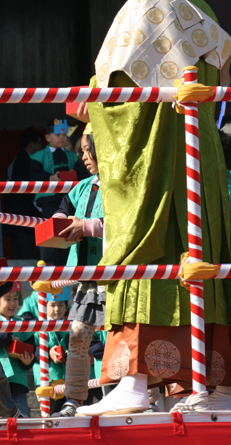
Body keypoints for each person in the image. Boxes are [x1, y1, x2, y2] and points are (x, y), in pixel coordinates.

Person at [78, 0, 231, 415]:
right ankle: (217, 384)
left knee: (150, 254)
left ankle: (135, 380)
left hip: (157, 167)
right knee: (204, 253)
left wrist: (93, 101)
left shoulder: (147, 7)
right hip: (201, 160)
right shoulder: (203, 11)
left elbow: (119, 105)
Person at [33, 129, 107, 417]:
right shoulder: (80, 187)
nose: (86, 158)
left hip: (117, 275)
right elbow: (61, 213)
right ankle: (73, 400)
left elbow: (128, 225)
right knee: (78, 337)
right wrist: (62, 224)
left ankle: (121, 394)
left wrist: (86, 226)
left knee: (118, 337)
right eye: (83, 153)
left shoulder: (121, 183)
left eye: (91, 152)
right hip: (84, 278)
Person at [29, 119, 78, 265]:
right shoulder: (37, 156)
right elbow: (33, 176)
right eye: (57, 134)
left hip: (70, 200)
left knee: (68, 231)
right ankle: (49, 265)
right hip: (49, 200)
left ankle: (68, 265)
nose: (62, 137)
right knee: (49, 230)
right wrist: (50, 177)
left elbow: (81, 174)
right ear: (48, 137)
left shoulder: (73, 156)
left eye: (64, 134)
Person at [0, 289, 36, 417]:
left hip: (18, 380)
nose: (13, 303)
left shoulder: (23, 324)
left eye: (15, 299)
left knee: (23, 414)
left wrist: (28, 361)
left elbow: (32, 348)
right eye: (7, 299)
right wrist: (7, 338)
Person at [4, 128, 44, 260]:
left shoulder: (17, 159)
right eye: (39, 143)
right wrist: (40, 207)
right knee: (30, 258)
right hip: (24, 218)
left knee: (20, 258)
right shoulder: (25, 161)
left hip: (15, 218)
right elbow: (27, 190)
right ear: (31, 144)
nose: (41, 147)